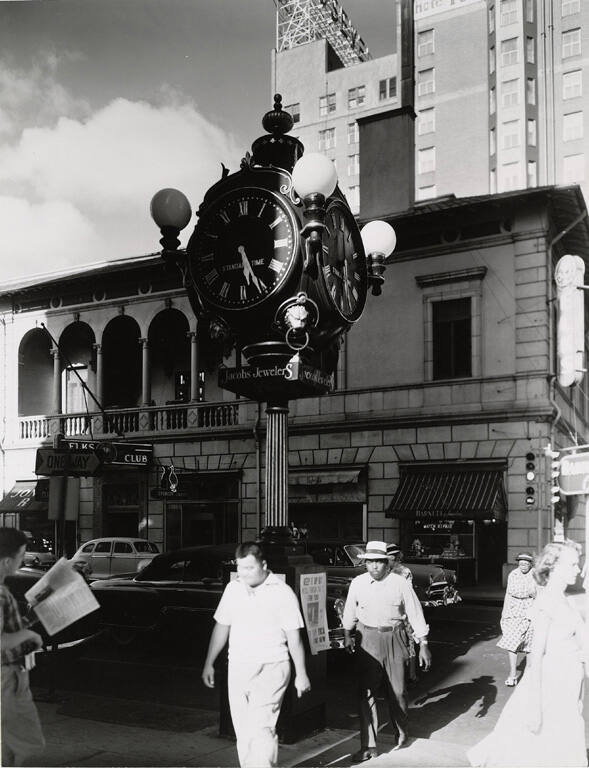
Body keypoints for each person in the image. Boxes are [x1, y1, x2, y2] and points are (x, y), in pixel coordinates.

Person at [468, 539, 587, 767]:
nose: (578, 569)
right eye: (572, 564)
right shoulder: (547, 602)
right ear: (553, 566)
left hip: (566, 688)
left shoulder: (565, 600)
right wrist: (534, 706)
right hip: (550, 688)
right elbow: (535, 657)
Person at [201, 541, 311, 768]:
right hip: (239, 666)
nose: (244, 574)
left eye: (250, 568)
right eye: (241, 568)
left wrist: (301, 673)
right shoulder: (233, 588)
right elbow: (222, 626)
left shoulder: (282, 592)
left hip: (273, 666)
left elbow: (294, 638)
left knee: (262, 727)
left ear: (264, 564)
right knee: (243, 730)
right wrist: (209, 662)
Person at [342, 540, 432, 763]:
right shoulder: (358, 583)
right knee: (366, 692)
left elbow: (414, 612)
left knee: (398, 691)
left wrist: (423, 644)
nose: (373, 567)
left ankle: (401, 730)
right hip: (367, 638)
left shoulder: (400, 583)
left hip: (395, 637)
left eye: (378, 562)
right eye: (369, 562)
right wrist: (347, 634)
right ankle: (368, 746)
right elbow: (350, 609)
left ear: (387, 563)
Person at [0, 527, 46, 767]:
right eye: (21, 556)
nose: (23, 560)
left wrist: (33, 617)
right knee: (28, 748)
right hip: (7, 677)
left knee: (9, 744)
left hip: (11, 675)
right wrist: (29, 634)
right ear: (7, 561)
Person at [497, 552, 537, 686]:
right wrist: (504, 613)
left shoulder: (536, 574)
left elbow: (539, 592)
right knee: (511, 642)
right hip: (515, 612)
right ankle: (513, 674)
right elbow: (510, 593)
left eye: (526, 564)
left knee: (529, 645)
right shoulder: (513, 574)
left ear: (530, 564)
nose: (523, 566)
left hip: (531, 612)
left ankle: (529, 675)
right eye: (521, 564)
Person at [387, 543, 417, 683]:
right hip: (400, 612)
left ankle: (407, 674)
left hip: (401, 613)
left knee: (405, 642)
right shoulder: (404, 571)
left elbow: (407, 594)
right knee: (408, 643)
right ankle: (410, 675)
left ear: (392, 557)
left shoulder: (399, 572)